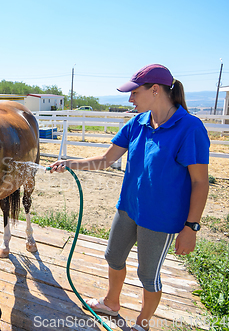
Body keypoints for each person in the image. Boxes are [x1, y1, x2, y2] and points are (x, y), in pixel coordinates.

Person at [49, 64, 210, 331]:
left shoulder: (189, 128)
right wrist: (70, 163)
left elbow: (200, 182)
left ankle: (142, 323)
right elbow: (104, 160)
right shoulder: (137, 123)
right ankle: (112, 302)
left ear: (155, 90)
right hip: (129, 209)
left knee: (148, 275)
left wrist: (191, 226)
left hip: (161, 218)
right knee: (113, 256)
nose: (130, 99)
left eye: (134, 92)